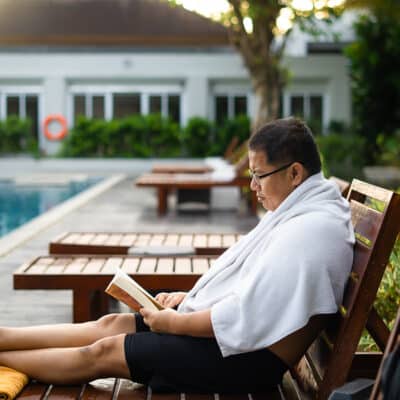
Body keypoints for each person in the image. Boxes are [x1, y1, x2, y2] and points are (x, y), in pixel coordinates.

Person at [0, 117, 355, 393]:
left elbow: (249, 313)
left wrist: (179, 322)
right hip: (240, 339)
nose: (252, 187)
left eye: (259, 176)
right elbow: (256, 294)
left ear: (295, 173)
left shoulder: (311, 231)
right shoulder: (305, 210)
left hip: (246, 360)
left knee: (103, 351)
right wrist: (189, 302)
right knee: (112, 323)